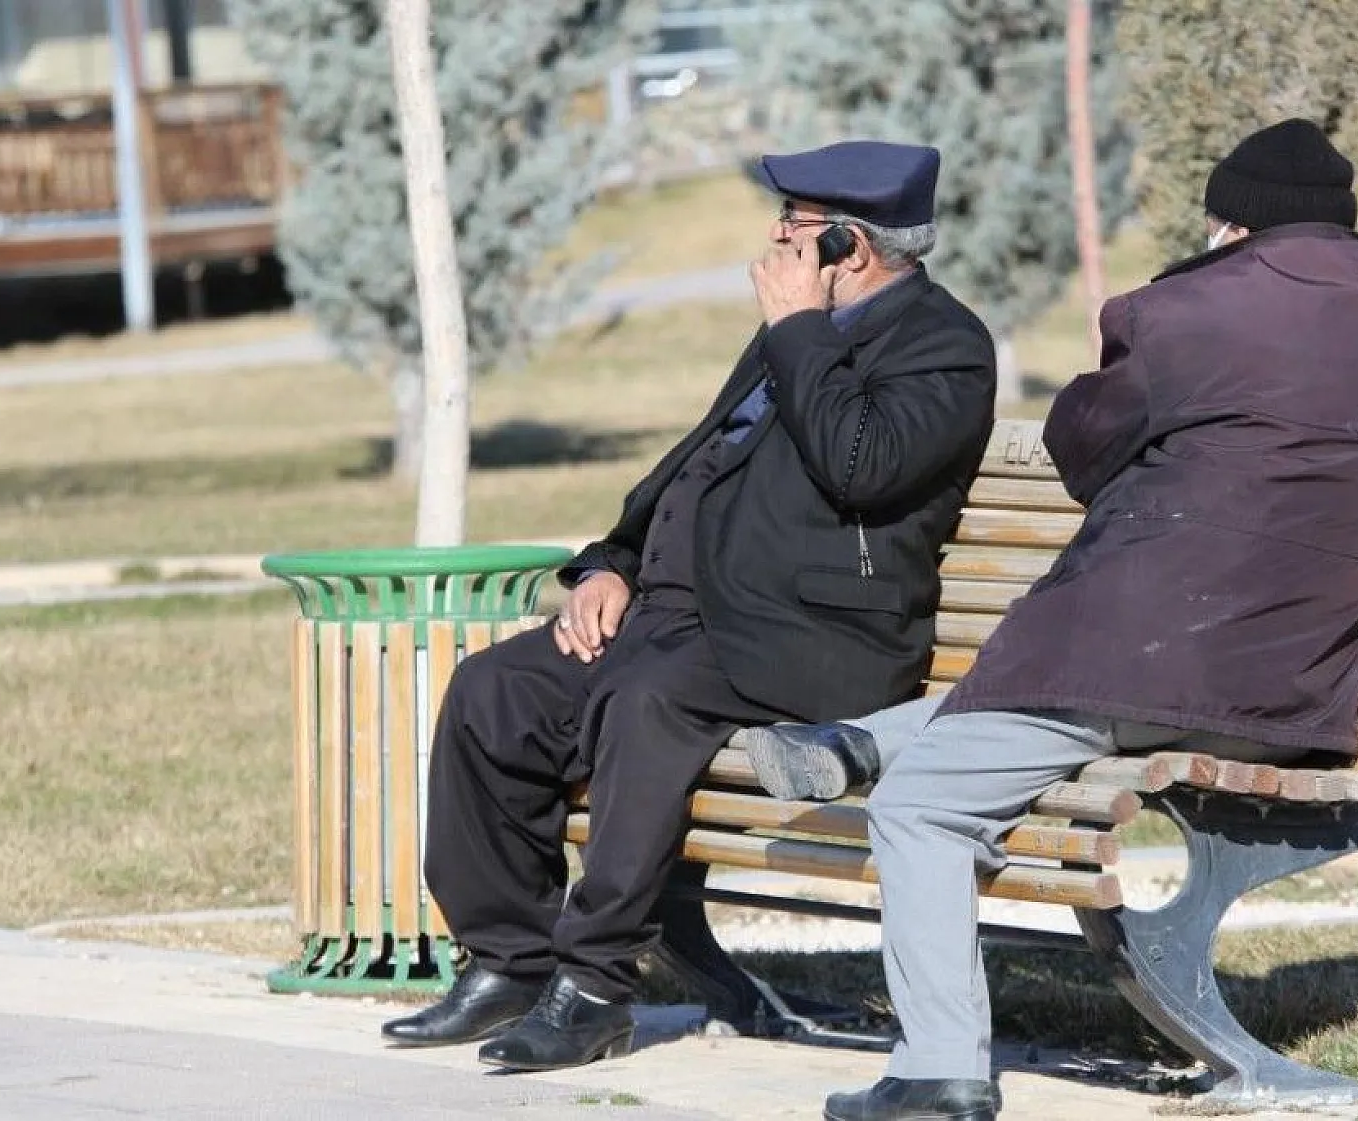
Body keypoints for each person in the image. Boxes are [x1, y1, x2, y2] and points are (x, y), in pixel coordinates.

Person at [737, 119, 1358, 1121]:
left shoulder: (1179, 309)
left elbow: (1079, 446)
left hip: (1135, 666)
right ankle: (860, 741)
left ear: (1230, 225)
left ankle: (935, 1069)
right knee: (1018, 718)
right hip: (1297, 679)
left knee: (921, 805)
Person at [379, 139, 998, 1074]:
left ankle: (593, 987)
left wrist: (798, 331)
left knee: (649, 704)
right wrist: (612, 564)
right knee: (493, 690)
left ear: (849, 245)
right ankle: (509, 956)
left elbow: (860, 467)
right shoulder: (794, 329)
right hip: (687, 615)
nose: (772, 244)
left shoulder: (944, 346)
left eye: (791, 229)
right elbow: (697, 464)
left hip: (813, 637)